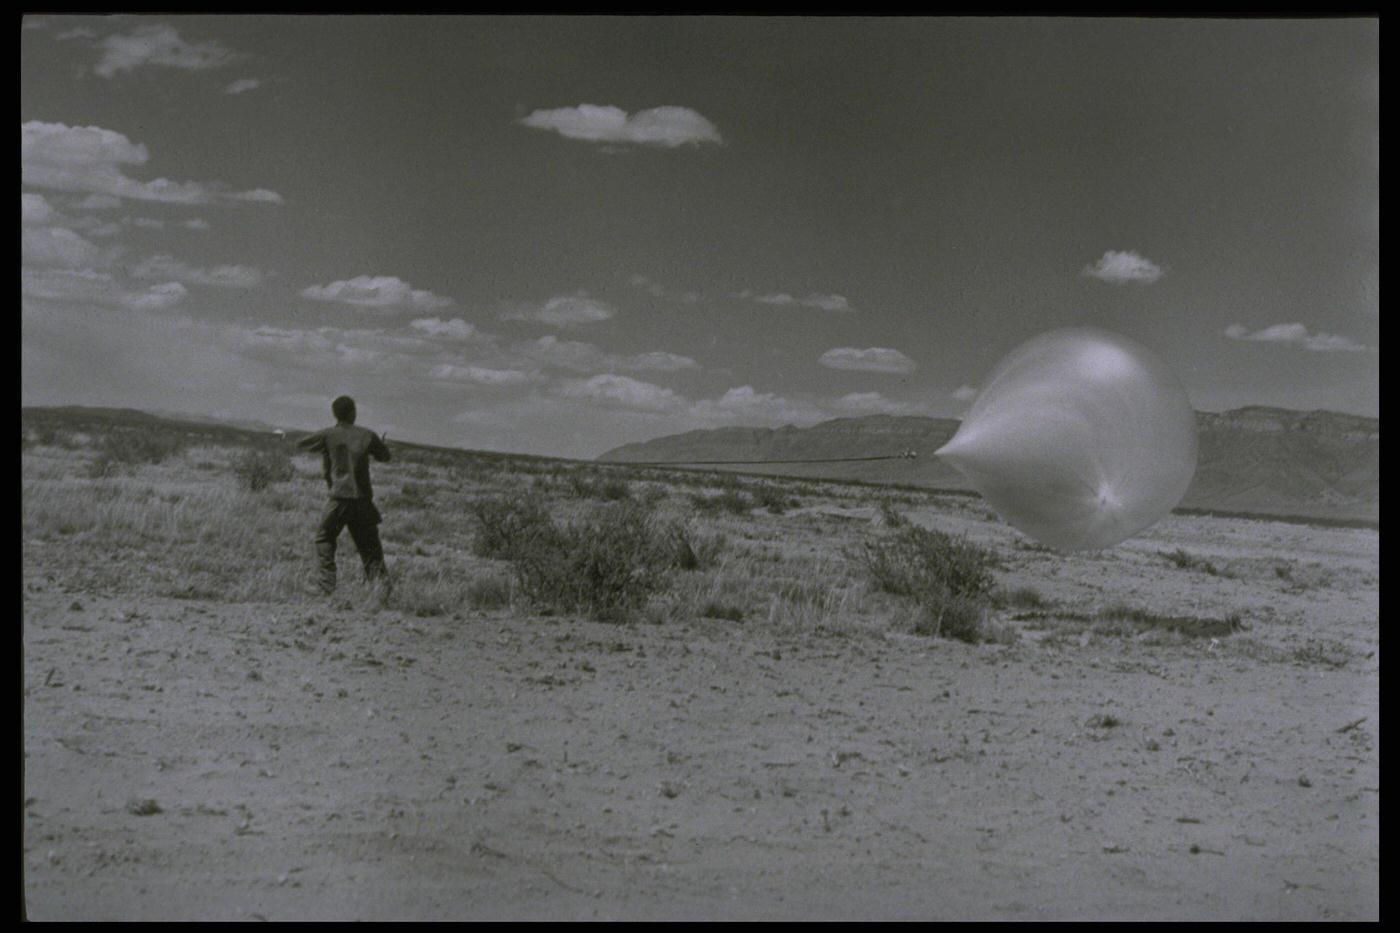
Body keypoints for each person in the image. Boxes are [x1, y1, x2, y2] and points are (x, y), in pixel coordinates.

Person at [297, 396, 392, 596]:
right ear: (352, 413)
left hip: (339, 498)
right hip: (363, 501)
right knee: (370, 546)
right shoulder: (367, 435)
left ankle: (326, 586)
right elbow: (385, 456)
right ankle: (380, 590)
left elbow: (301, 444)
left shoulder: (328, 435)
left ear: (335, 414)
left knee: (324, 537)